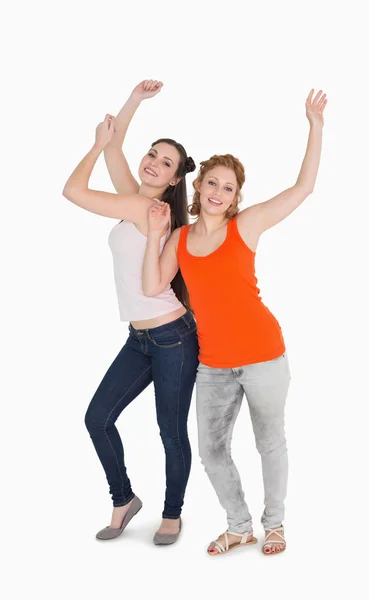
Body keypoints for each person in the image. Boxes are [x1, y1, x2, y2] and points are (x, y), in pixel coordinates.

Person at [142, 88, 327, 555]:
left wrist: (315, 126)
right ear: (199, 186)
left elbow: (303, 189)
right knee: (211, 451)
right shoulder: (180, 238)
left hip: (264, 356)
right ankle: (239, 525)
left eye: (229, 188)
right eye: (212, 183)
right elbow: (151, 286)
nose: (219, 193)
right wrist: (152, 234)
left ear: (236, 196)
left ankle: (276, 524)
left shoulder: (246, 226)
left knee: (270, 443)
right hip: (214, 364)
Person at [62, 80, 198, 545]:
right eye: (153, 154)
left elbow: (73, 190)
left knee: (169, 432)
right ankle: (124, 499)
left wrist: (96, 144)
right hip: (139, 340)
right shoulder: (141, 201)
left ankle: (172, 513)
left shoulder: (144, 206)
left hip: (172, 338)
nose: (154, 163)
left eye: (166, 162)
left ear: (176, 179)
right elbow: (118, 148)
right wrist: (135, 101)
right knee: (98, 418)